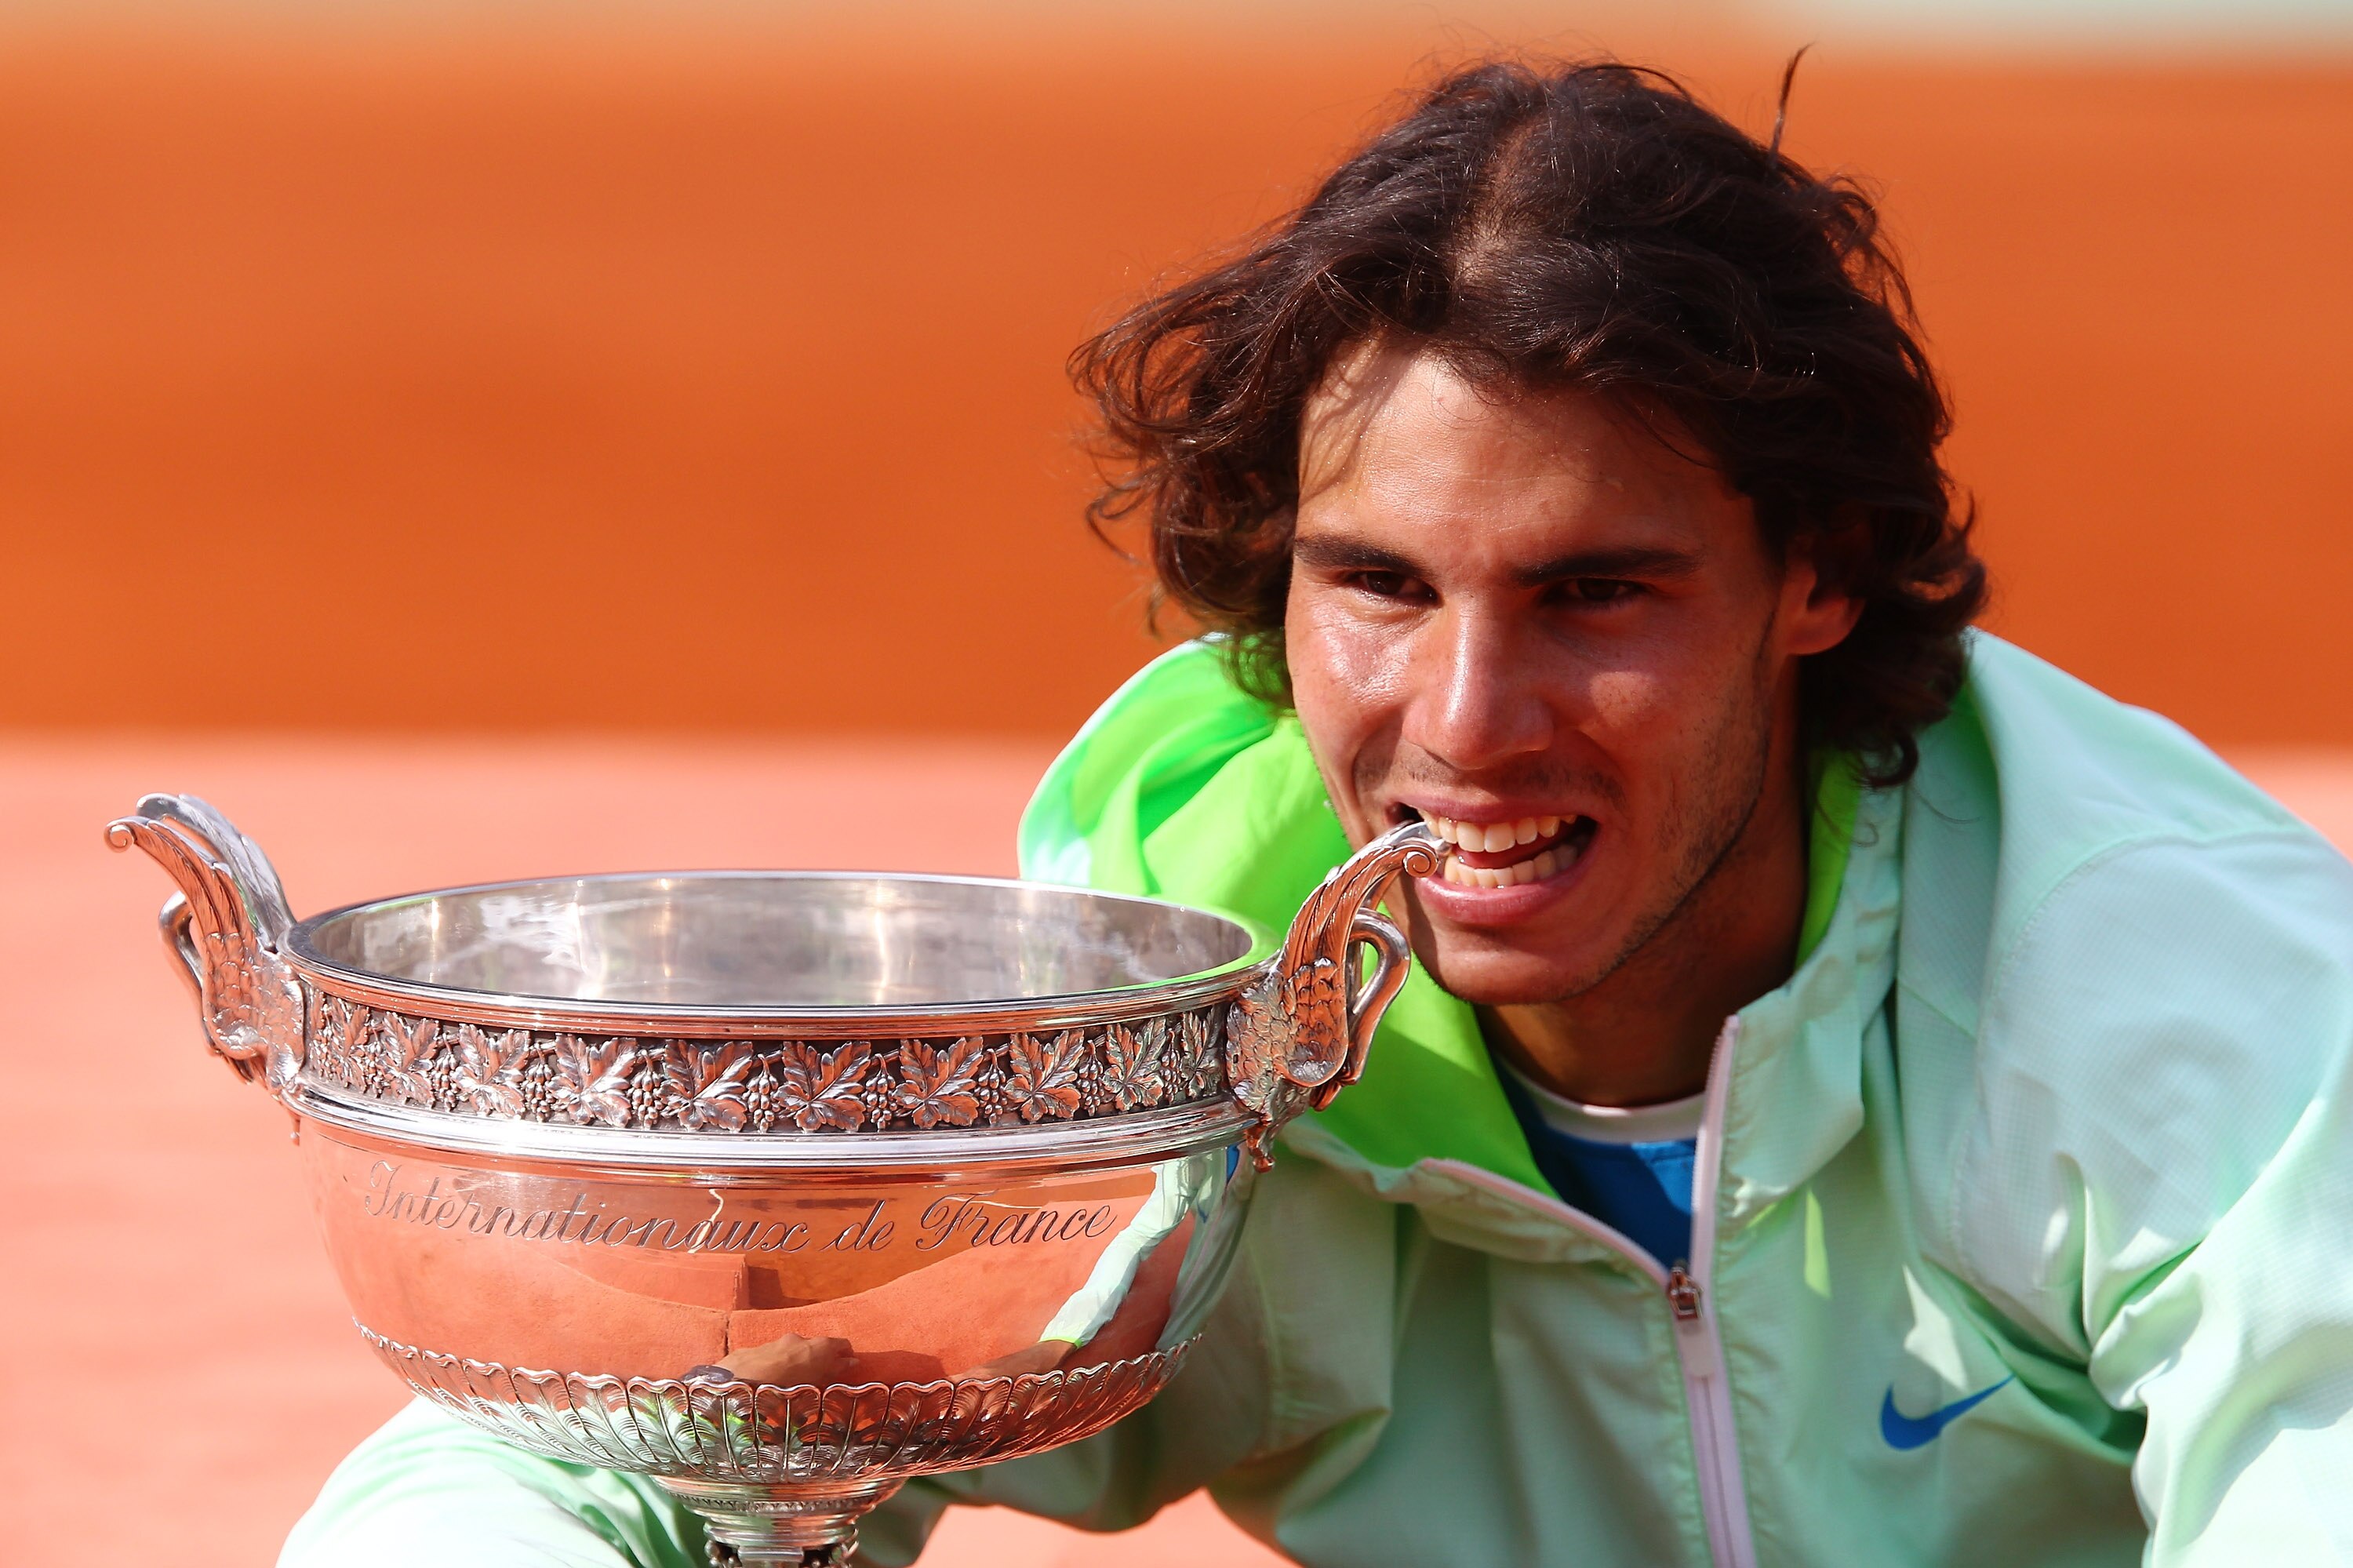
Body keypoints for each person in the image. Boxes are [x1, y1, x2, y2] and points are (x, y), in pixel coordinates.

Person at [283, 58, 2353, 1568]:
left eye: (1594, 594)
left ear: (1815, 576)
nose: (1467, 724)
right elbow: (593, 1464)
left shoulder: (2183, 1013)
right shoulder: (1173, 998)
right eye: (1378, 583)